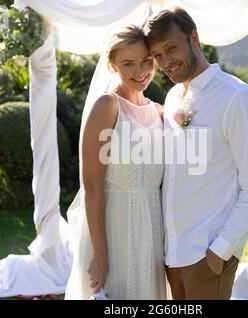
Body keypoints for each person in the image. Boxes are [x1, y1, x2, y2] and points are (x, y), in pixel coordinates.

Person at [144, 7, 248, 300]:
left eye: (171, 49)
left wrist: (220, 251)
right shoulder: (175, 96)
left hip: (207, 256)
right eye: (157, 55)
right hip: (171, 255)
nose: (165, 62)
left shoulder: (237, 97)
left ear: (194, 39)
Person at [65, 25, 167, 300]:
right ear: (112, 65)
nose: (140, 70)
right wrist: (100, 253)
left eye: (146, 60)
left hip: (152, 230)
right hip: (113, 229)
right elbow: (92, 184)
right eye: (128, 63)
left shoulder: (160, 112)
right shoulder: (107, 106)